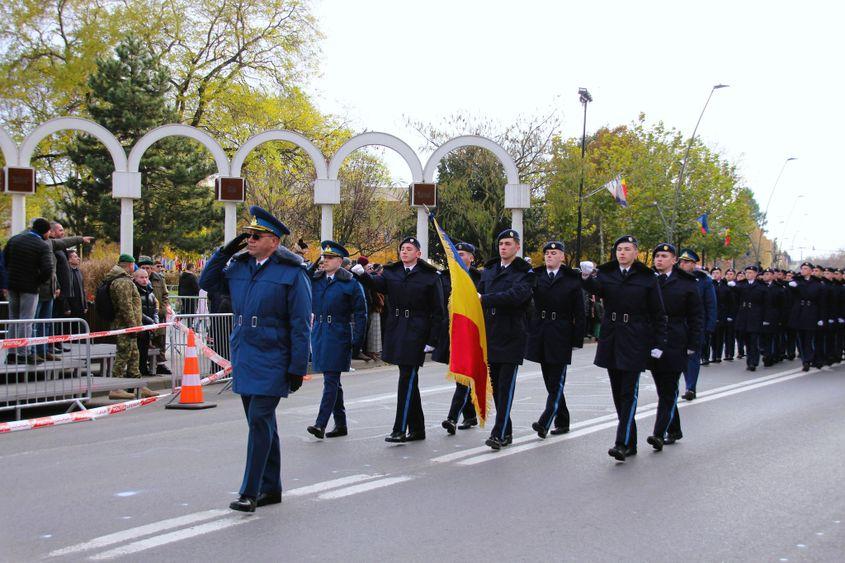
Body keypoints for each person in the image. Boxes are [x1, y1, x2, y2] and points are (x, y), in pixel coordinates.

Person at [199, 206, 311, 513]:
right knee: (261, 422)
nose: (249, 239)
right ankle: (271, 487)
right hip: (246, 352)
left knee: (260, 420)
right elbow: (206, 282)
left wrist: (298, 367)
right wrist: (224, 252)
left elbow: (300, 324)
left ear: (273, 241)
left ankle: (250, 490)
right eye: (247, 234)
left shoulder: (292, 272)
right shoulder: (239, 266)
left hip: (275, 354)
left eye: (256, 235)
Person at [581, 235, 667, 462]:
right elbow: (596, 289)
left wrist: (659, 344)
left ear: (636, 252)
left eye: (627, 249)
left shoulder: (647, 277)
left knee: (629, 392)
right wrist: (586, 276)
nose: (622, 253)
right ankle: (631, 441)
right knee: (618, 393)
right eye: (619, 249)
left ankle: (621, 443)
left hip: (635, 338)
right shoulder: (608, 273)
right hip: (612, 336)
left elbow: (658, 314)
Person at [352, 236, 444, 443]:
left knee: (407, 378)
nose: (404, 252)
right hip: (397, 328)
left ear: (418, 253)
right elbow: (379, 285)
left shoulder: (429, 276)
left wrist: (432, 339)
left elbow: (438, 311)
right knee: (409, 379)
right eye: (402, 248)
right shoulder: (393, 272)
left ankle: (400, 428)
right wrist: (362, 276)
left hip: (417, 330)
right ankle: (418, 429)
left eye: (409, 249)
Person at [478, 229, 535, 450]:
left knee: (506, 386)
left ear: (517, 247)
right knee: (496, 388)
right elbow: (479, 294)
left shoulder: (525, 272)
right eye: (501, 243)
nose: (503, 247)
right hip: (491, 333)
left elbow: (516, 296)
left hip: (512, 333)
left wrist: (485, 299)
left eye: (508, 244)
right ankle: (506, 430)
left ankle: (499, 433)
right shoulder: (490, 269)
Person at [306, 241, 367, 439]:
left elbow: (360, 314)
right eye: (324, 257)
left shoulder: (350, 283)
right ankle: (341, 424)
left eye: (330, 258)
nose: (325, 260)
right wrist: (314, 263)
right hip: (320, 332)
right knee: (331, 379)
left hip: (338, 332)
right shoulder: (316, 279)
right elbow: (302, 277)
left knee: (331, 380)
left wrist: (357, 341)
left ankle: (320, 424)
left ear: (340, 261)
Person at [526, 241, 585, 438]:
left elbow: (580, 312)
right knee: (550, 382)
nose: (549, 256)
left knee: (557, 380)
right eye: (547, 253)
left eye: (554, 253)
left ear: (562, 256)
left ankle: (545, 420)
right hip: (541, 331)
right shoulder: (537, 276)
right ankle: (563, 420)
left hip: (561, 332)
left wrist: (577, 339)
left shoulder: (571, 279)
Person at [647, 244, 703, 450]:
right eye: (657, 256)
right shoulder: (649, 280)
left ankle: (658, 433)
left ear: (674, 260)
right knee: (664, 389)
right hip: (653, 340)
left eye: (664, 256)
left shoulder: (686, 283)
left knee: (669, 388)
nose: (659, 259)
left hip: (675, 339)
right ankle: (675, 429)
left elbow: (696, 317)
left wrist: (693, 344)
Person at [435, 242, 482, 434]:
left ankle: (452, 418)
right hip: (452, 331)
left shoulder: (481, 278)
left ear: (472, 258)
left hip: (472, 332)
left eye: (462, 254)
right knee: (461, 375)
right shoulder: (446, 278)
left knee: (463, 376)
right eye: (456, 254)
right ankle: (470, 415)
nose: (458, 257)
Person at [105, 254, 158, 400]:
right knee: (123, 355)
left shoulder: (123, 279)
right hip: (126, 325)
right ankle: (115, 388)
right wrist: (132, 326)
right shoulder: (122, 281)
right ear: (129, 265)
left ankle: (138, 384)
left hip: (131, 325)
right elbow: (126, 306)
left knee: (134, 355)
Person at [35, 222, 91, 359]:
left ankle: (55, 344)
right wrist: (57, 285)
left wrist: (80, 239)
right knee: (47, 320)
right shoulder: (48, 245)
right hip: (51, 290)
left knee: (56, 319)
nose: (63, 232)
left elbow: (65, 242)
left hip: (59, 290)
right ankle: (46, 346)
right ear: (51, 232)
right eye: (60, 230)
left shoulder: (56, 246)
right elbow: (51, 269)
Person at [3, 218, 54, 364]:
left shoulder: (14, 239)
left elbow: (5, 260)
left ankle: (11, 353)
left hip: (13, 285)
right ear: (44, 231)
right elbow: (48, 269)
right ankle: (24, 353)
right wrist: (37, 280)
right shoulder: (42, 245)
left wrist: (11, 274)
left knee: (14, 319)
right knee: (27, 320)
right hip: (30, 288)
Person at [677, 249, 715, 400]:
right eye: (681, 262)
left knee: (692, 357)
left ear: (694, 264)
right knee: (680, 357)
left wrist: (710, 326)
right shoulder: (676, 278)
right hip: (679, 324)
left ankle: (690, 387)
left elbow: (711, 304)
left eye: (686, 262)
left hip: (696, 325)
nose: (683, 264)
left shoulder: (704, 281)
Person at [787, 262, 825, 371]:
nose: (803, 270)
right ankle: (805, 359)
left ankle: (808, 359)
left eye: (806, 268)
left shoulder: (817, 284)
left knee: (808, 338)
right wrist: (792, 286)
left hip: (811, 313)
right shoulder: (797, 281)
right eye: (802, 268)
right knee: (800, 338)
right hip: (799, 312)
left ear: (811, 270)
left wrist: (821, 318)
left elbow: (821, 302)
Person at [139, 256, 171, 374]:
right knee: (147, 342)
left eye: (148, 267)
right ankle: (146, 364)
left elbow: (165, 295)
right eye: (143, 267)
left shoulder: (159, 279)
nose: (146, 270)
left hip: (159, 313)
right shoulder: (138, 280)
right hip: (145, 315)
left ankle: (160, 364)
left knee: (160, 340)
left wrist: (164, 307)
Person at [731, 265, 767, 371]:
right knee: (746, 339)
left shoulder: (761, 286)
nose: (748, 274)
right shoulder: (741, 285)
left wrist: (765, 318)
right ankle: (749, 361)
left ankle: (753, 362)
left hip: (755, 315)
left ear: (756, 274)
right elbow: (736, 301)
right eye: (747, 272)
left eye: (751, 272)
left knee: (754, 340)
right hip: (744, 315)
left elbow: (765, 304)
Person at [133, 268, 159, 376]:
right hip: (139, 325)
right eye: (141, 277)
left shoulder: (150, 292)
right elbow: (137, 310)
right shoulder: (134, 291)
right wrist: (151, 322)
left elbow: (155, 308)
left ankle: (143, 369)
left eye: (146, 277)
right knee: (138, 350)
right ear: (135, 278)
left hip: (148, 326)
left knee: (144, 349)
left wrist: (155, 322)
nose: (144, 280)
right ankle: (138, 370)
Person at [711, 267, 734, 363]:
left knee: (720, 336)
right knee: (712, 337)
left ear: (721, 274)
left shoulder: (726, 287)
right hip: (712, 314)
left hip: (722, 314)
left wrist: (729, 315)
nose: (715, 275)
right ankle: (713, 355)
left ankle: (718, 356)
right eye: (714, 273)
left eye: (717, 273)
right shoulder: (710, 285)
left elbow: (730, 302)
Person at [65, 250, 87, 332]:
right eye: (75, 257)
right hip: (70, 307)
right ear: (69, 260)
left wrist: (85, 304)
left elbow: (82, 289)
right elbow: (64, 290)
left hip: (80, 307)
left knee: (80, 330)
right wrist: (66, 306)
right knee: (70, 330)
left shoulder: (79, 272)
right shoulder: (66, 272)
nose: (78, 258)